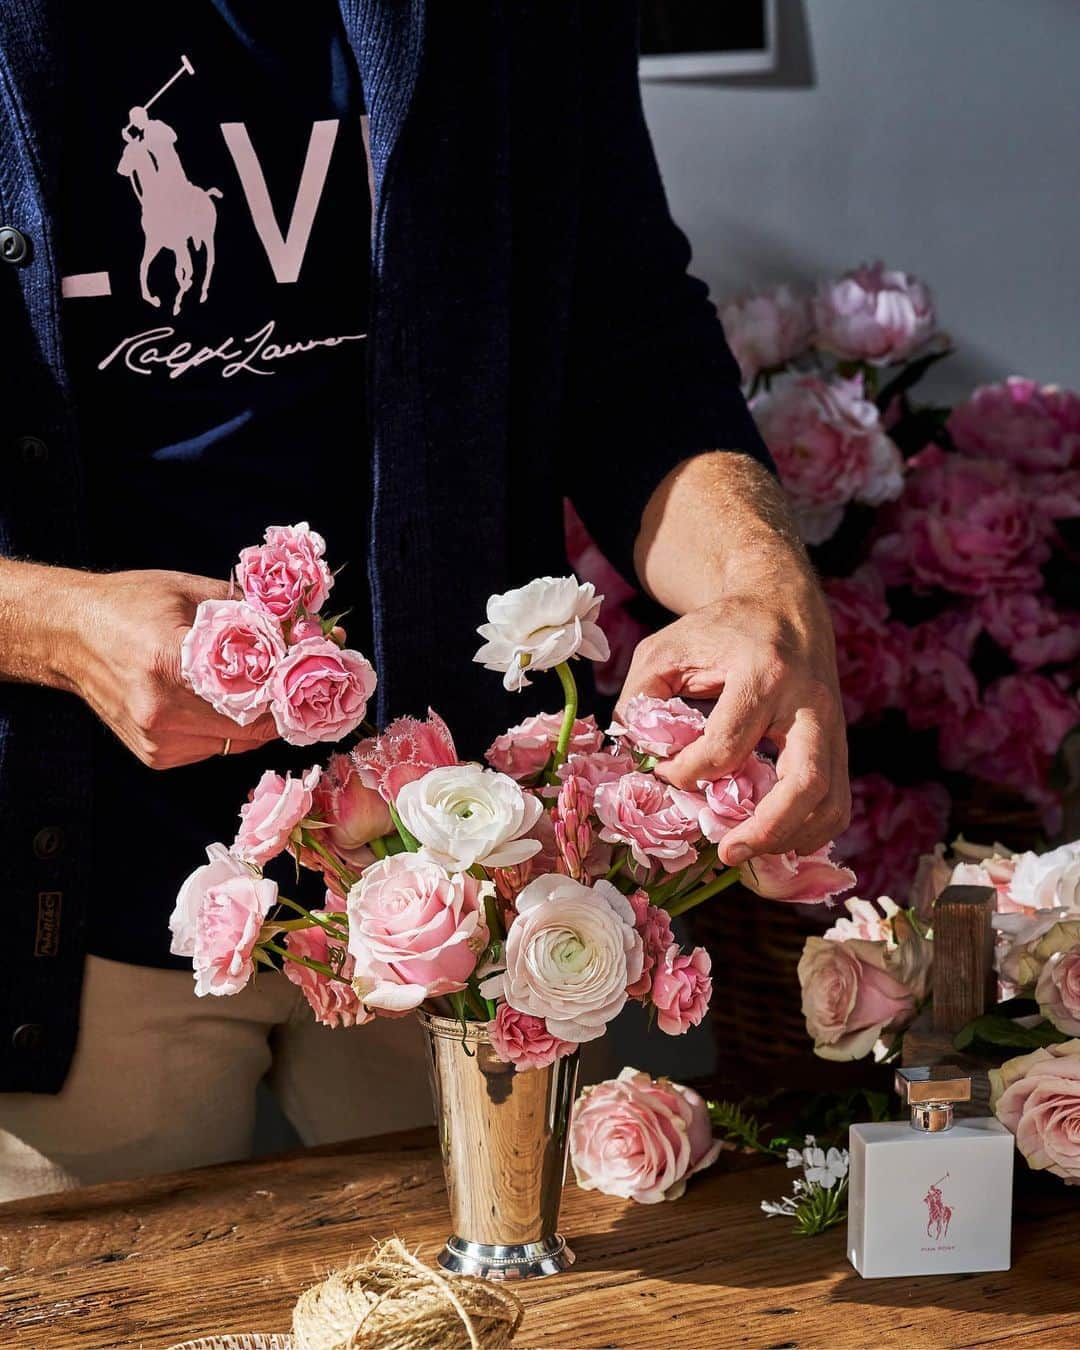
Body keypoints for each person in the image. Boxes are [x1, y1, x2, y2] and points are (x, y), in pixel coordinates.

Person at [0, 1, 849, 1200]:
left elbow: (625, 341)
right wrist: (51, 627)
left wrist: (764, 590)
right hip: (60, 929)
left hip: (470, 887)